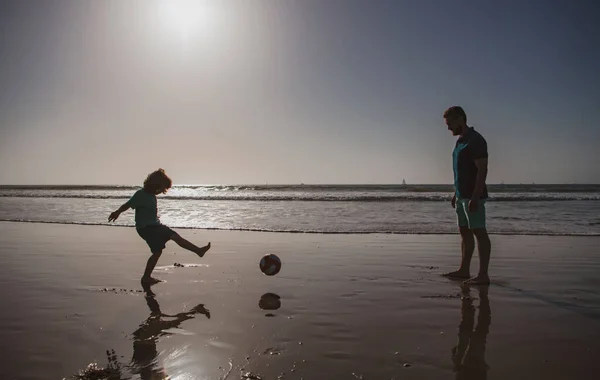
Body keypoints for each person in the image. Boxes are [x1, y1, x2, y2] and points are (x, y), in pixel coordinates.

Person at [108, 168, 211, 284]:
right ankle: (146, 277)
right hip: (146, 228)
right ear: (155, 184)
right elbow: (127, 205)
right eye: (162, 189)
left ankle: (198, 251)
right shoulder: (140, 194)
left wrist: (156, 219)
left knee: (174, 237)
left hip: (155, 226)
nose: (162, 192)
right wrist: (117, 212)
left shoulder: (152, 196)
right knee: (158, 251)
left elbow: (150, 213)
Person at [443, 106, 491, 285]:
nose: (448, 128)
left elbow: (482, 169)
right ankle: (464, 270)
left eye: (449, 124)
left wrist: (476, 196)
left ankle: (483, 274)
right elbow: (461, 171)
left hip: (473, 196)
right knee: (464, 233)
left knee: (479, 232)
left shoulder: (475, 140)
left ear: (460, 119)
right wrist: (456, 193)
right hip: (461, 195)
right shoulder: (460, 141)